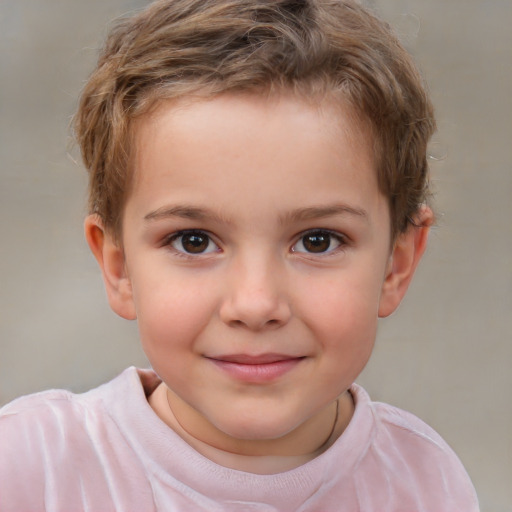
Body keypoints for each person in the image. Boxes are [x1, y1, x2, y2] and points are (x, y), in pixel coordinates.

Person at [0, 0, 479, 510]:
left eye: (317, 240)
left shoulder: (427, 484)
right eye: (194, 240)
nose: (255, 304)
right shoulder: (29, 468)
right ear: (118, 267)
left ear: (396, 263)